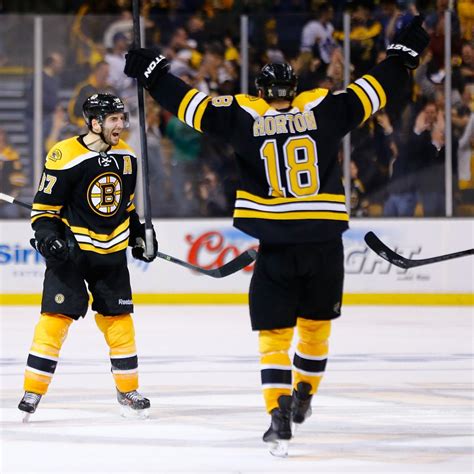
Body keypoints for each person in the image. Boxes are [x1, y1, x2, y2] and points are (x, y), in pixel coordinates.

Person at [124, 17, 429, 455]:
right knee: (316, 330)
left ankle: (278, 415)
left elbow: (191, 107)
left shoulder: (244, 115)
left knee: (273, 336)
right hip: (324, 242)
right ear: (295, 87)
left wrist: (154, 75)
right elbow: (376, 89)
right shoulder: (323, 107)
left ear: (263, 91)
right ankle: (304, 394)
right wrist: (401, 58)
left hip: (276, 245)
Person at [18, 93, 158, 421]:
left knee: (119, 322)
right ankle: (33, 390)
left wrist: (140, 236)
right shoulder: (64, 155)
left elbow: (126, 208)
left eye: (122, 118)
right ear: (95, 123)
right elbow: (44, 211)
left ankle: (128, 390)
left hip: (111, 253)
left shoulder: (127, 156)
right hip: (71, 251)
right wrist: (48, 238)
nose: (121, 124)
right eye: (113, 119)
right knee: (55, 319)